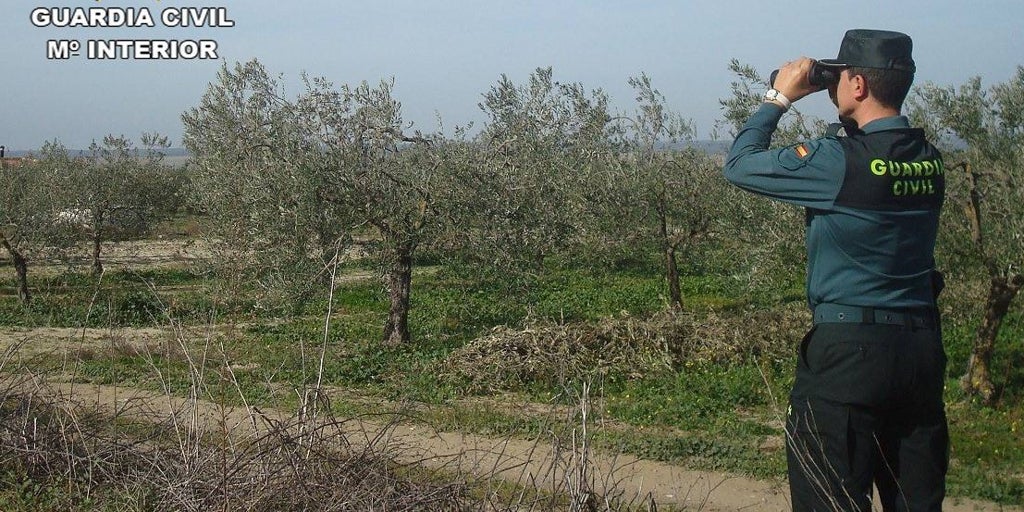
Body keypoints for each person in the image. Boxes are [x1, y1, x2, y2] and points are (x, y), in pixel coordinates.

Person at [723, 29, 948, 511]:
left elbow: (740, 165)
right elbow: (871, 160)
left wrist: (779, 97)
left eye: (839, 78)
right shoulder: (930, 161)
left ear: (859, 87)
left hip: (849, 357)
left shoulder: (836, 163)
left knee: (830, 498)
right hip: (920, 355)